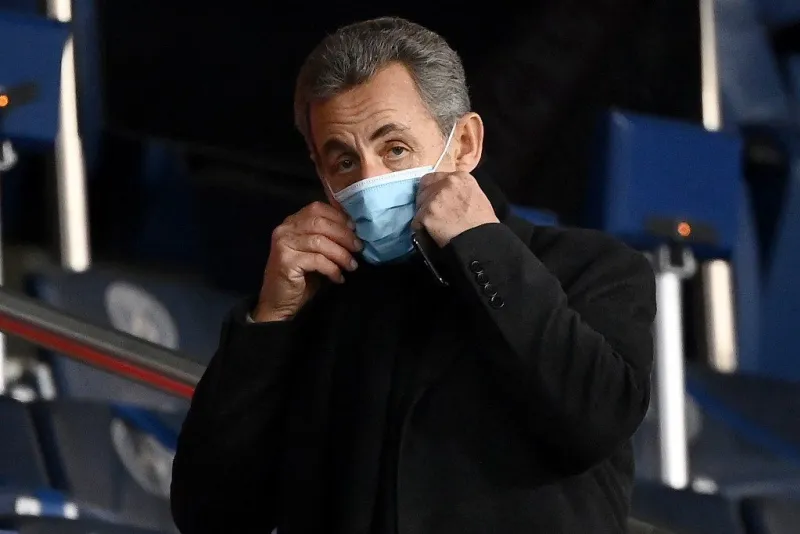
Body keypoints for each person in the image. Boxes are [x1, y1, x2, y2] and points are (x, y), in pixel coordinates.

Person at [170, 16, 656, 534]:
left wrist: (482, 246)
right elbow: (211, 513)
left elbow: (593, 420)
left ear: (464, 143)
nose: (370, 180)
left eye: (394, 149)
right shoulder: (316, 302)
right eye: (344, 161)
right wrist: (269, 321)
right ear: (321, 173)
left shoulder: (592, 268)